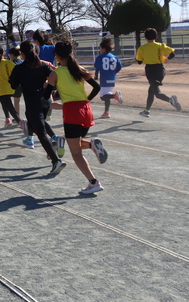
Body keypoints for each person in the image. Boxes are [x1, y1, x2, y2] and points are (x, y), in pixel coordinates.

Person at [48, 41, 105, 194]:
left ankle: (93, 182)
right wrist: (86, 100)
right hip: (86, 109)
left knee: (75, 152)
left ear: (57, 56)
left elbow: (45, 95)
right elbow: (97, 87)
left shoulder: (56, 73)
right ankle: (91, 145)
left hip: (72, 112)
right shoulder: (79, 69)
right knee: (76, 144)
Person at [9, 41, 67, 176]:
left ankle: (55, 160)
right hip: (45, 102)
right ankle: (52, 142)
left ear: (22, 53)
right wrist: (48, 85)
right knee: (34, 123)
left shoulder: (19, 68)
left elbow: (12, 85)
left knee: (40, 133)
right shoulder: (43, 65)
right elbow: (55, 75)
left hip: (33, 104)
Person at [136, 28, 181, 117]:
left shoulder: (142, 48)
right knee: (151, 91)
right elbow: (173, 54)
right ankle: (146, 111)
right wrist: (166, 59)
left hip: (150, 71)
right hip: (161, 70)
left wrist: (141, 58)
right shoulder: (161, 45)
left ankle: (171, 100)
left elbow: (139, 62)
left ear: (145, 38)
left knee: (157, 94)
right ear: (156, 36)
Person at [0, 45, 23, 128]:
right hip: (11, 86)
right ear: (4, 53)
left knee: (8, 105)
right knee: (5, 102)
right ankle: (8, 119)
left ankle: (20, 122)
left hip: (2, 89)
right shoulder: (9, 62)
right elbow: (17, 72)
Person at [94, 37, 123, 118]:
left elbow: (98, 68)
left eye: (100, 48)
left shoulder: (100, 57)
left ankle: (115, 96)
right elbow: (119, 67)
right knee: (107, 95)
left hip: (104, 79)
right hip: (112, 78)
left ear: (103, 48)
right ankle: (106, 112)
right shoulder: (115, 57)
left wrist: (96, 76)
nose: (99, 49)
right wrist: (114, 72)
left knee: (103, 97)